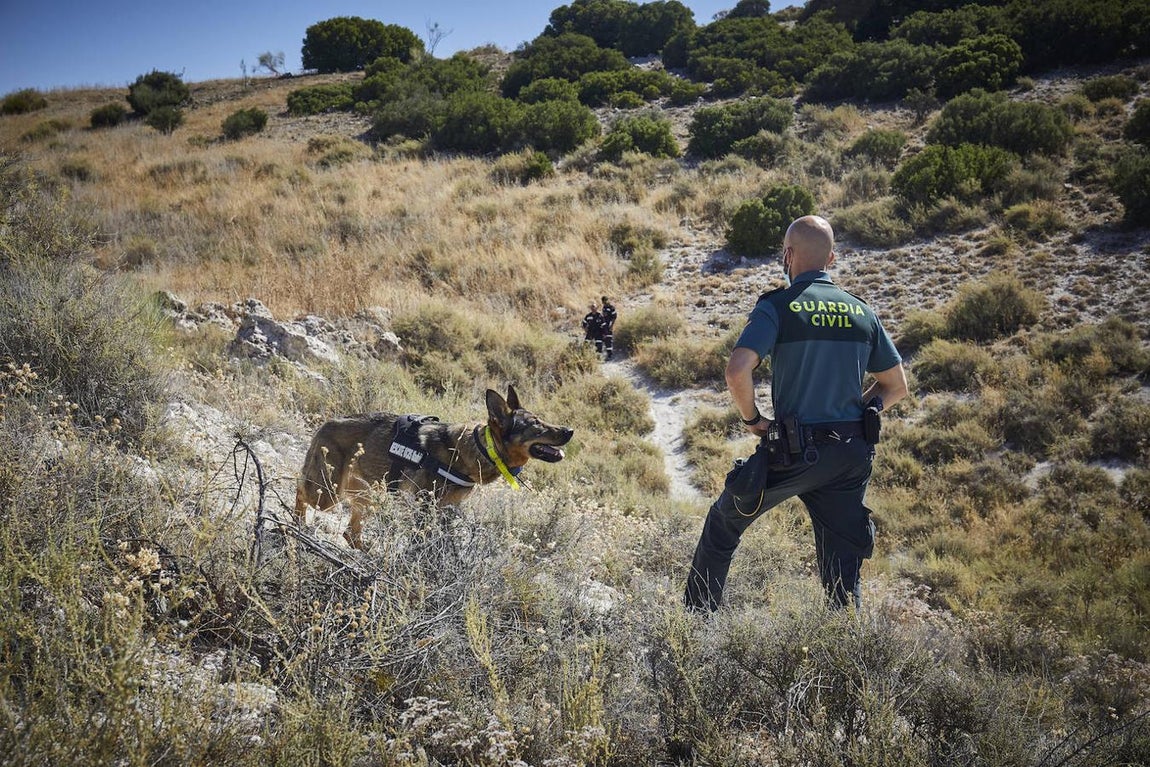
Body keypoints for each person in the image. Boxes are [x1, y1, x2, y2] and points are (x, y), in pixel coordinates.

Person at [684, 215, 908, 612]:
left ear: (787, 255)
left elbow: (737, 371)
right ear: (831, 258)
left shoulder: (778, 306)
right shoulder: (862, 312)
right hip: (851, 455)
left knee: (724, 524)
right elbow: (896, 387)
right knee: (843, 570)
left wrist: (753, 419)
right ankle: (848, 643)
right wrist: (860, 414)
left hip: (794, 451)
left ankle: (695, 626)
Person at [600, 296, 617, 360]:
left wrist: (611, 325)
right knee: (604, 339)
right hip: (604, 325)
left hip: (609, 325)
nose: (604, 302)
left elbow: (614, 317)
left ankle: (610, 355)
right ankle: (605, 353)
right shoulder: (604, 308)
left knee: (609, 339)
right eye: (603, 301)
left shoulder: (611, 307)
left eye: (605, 300)